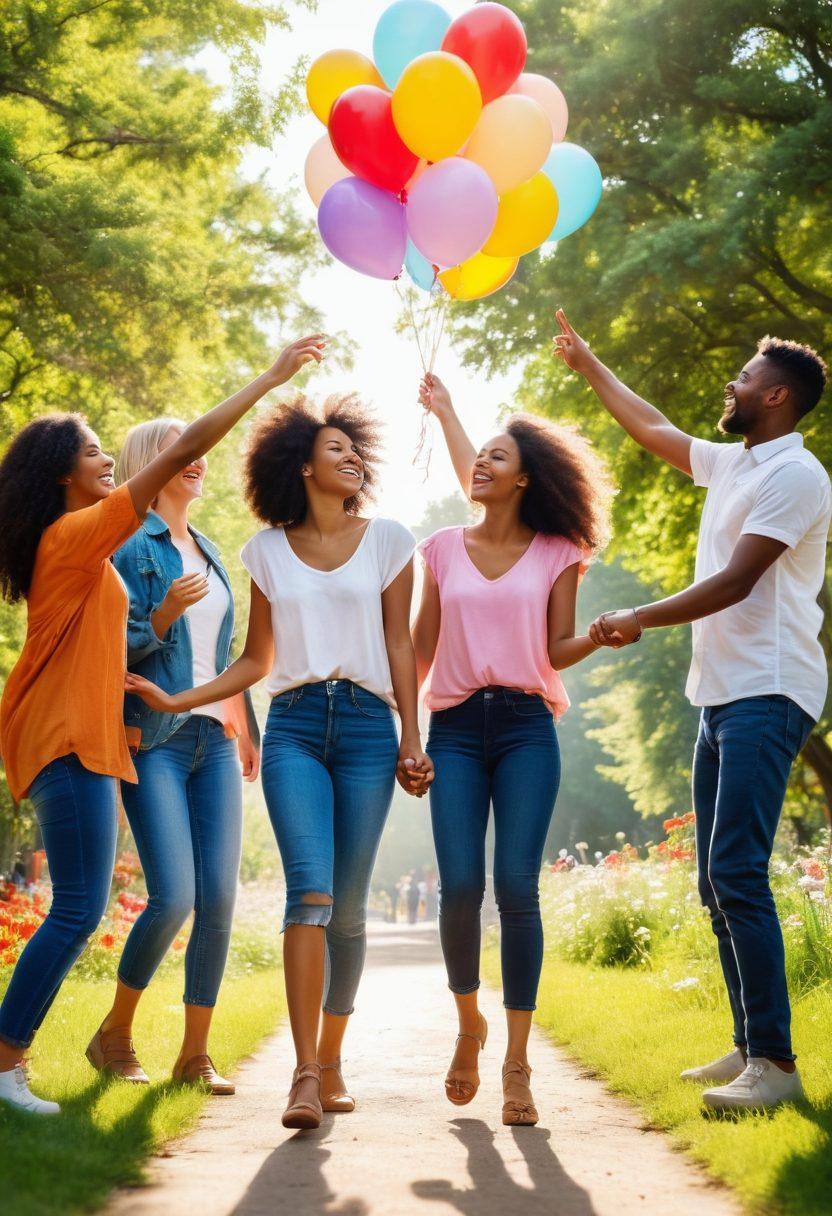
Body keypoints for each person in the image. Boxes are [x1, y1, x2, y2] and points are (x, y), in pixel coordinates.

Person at [0, 333, 324, 1115]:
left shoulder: (84, 542)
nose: (106, 458)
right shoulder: (78, 536)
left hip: (89, 740)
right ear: (61, 474)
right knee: (79, 907)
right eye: (92, 451)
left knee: (81, 904)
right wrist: (270, 377)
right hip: (70, 737)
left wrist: (230, 715)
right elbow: (189, 443)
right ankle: (6, 1063)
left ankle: (21, 1060)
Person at [125, 393, 433, 1132]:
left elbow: (400, 647)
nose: (352, 458)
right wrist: (179, 700)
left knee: (351, 912)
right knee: (312, 897)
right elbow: (256, 659)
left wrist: (413, 737)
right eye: (336, 449)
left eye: (356, 450)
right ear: (301, 466)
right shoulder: (263, 552)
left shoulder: (391, 539)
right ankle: (300, 1075)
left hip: (366, 727)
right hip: (294, 726)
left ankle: (332, 1062)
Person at [554, 309, 830, 1111]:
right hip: (721, 693)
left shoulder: (796, 476)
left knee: (737, 869)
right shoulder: (739, 463)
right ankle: (749, 1044)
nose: (731, 384)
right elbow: (653, 427)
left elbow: (739, 581)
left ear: (775, 397)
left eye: (743, 377)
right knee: (717, 881)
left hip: (768, 690)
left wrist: (639, 615)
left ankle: (775, 1065)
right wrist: (590, 363)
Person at [414, 372, 612, 1126]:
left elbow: (557, 648)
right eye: (479, 457)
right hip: (456, 730)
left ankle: (518, 1065)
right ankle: (470, 1026)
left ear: (525, 477)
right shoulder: (441, 547)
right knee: (460, 885)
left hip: (529, 727)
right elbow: (420, 645)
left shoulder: (559, 551)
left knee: (517, 889)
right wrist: (408, 733)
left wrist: (594, 636)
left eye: (498, 458)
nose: (482, 465)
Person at [87, 417, 261, 1094]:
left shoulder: (213, 551)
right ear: (148, 462)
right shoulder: (127, 543)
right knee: (174, 896)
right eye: (178, 449)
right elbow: (108, 651)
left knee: (218, 898)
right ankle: (115, 1034)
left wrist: (244, 725)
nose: (197, 459)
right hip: (154, 741)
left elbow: (225, 654)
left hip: (214, 741)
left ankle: (194, 1056)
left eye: (199, 450)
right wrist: (157, 620)